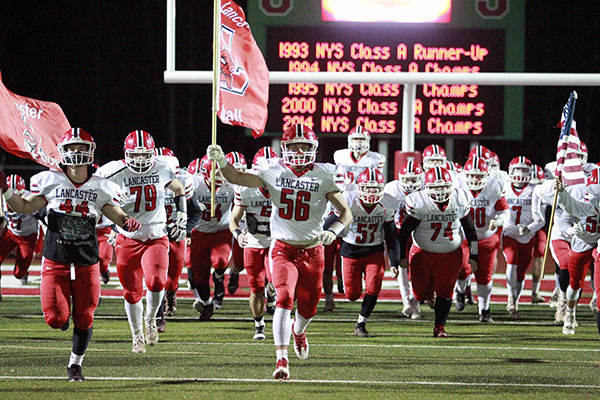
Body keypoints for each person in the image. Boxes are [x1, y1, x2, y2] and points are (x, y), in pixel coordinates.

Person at [207, 123, 351, 380]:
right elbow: (238, 178)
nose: (298, 151)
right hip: (282, 248)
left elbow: (345, 212)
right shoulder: (272, 171)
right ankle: (281, 358)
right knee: (284, 298)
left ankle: (299, 332)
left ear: (314, 148)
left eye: (304, 146)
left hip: (313, 249)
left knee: (308, 307)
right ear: (284, 148)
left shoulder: (325, 174)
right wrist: (221, 163)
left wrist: (335, 229)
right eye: (293, 146)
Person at [0, 127, 140, 381]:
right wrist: (6, 191)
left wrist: (127, 221)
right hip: (56, 258)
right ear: (62, 152)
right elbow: (23, 206)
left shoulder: (101, 186)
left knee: (85, 315)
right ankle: (63, 319)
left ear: (91, 151)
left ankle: (75, 363)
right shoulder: (50, 180)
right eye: (71, 148)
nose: (76, 152)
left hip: (86, 259)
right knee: (55, 318)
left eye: (81, 147)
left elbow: (115, 213)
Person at [96, 130, 186, 353]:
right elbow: (97, 197)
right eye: (135, 155)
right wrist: (114, 204)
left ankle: (150, 319)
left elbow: (178, 188)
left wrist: (181, 214)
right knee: (132, 291)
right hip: (128, 238)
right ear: (126, 154)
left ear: (151, 153)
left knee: (157, 282)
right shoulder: (113, 171)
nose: (139, 160)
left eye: (144, 155)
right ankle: (136, 333)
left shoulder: (163, 167)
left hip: (156, 234)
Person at [397, 166, 477, 337]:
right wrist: (401, 256)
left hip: (450, 253)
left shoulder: (459, 199)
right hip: (422, 252)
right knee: (419, 292)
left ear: (451, 185)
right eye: (435, 187)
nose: (440, 191)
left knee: (445, 292)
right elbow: (404, 232)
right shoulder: (419, 201)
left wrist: (474, 255)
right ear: (426, 187)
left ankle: (439, 327)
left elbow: (470, 230)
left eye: (443, 187)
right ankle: (427, 295)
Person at [337, 167, 399, 337]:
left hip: (374, 249)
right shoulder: (348, 199)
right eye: (367, 188)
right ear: (359, 187)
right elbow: (332, 222)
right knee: (352, 295)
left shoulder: (387, 203)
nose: (371, 192)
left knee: (374, 286)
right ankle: (344, 279)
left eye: (375, 188)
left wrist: (394, 261)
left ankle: (361, 323)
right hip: (350, 249)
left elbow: (391, 234)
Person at [229, 147, 276, 340]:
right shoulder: (246, 189)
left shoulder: (284, 187)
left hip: (276, 242)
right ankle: (259, 324)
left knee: (277, 283)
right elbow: (233, 220)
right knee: (256, 289)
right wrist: (239, 234)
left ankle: (272, 296)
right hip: (254, 242)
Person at [186, 155, 235, 319]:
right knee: (200, 275)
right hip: (199, 232)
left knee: (221, 260)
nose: (221, 177)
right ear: (205, 173)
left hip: (221, 230)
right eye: (217, 173)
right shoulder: (194, 184)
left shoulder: (231, 185)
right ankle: (206, 304)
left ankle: (219, 277)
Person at [461, 157, 509, 322]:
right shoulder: (457, 185)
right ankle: (460, 291)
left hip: (486, 238)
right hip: (465, 238)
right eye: (472, 175)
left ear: (487, 175)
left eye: (479, 176)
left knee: (485, 276)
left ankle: (484, 309)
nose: (475, 179)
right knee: (462, 269)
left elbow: (505, 212)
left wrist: (499, 221)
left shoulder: (494, 186)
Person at [502, 156, 544, 319]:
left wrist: (530, 228)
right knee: (511, 261)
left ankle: (515, 299)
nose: (520, 173)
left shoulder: (535, 190)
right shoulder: (504, 187)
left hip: (527, 235)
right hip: (509, 232)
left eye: (524, 170)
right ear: (510, 171)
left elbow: (541, 219)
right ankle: (511, 299)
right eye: (517, 169)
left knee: (521, 273)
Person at [384, 160, 423, 319]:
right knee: (401, 267)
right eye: (406, 179)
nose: (410, 183)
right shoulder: (392, 188)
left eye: (414, 179)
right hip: (398, 231)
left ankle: (415, 302)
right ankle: (406, 301)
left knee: (417, 267)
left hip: (419, 232)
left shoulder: (427, 188)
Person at [0, 174, 40, 287]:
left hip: (27, 237)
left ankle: (24, 272)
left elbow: (43, 217)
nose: (15, 199)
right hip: (10, 233)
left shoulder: (31, 197)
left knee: (19, 274)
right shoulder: (2, 198)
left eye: (18, 195)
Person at [225, 151, 248, 295]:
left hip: (252, 226)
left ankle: (270, 296)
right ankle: (234, 272)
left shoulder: (250, 184)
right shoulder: (221, 186)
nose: (238, 172)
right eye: (234, 168)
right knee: (239, 263)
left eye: (241, 168)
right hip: (230, 227)